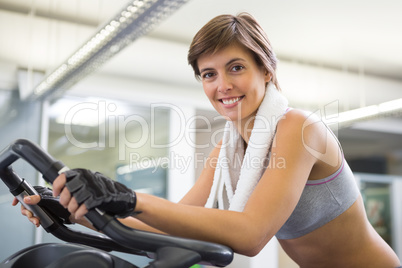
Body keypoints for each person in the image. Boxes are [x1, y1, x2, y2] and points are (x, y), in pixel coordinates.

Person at [14, 12, 401, 268]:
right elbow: (172, 225)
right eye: (208, 74)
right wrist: (78, 210)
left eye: (236, 68)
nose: (222, 85)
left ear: (266, 70)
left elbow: (250, 235)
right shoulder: (228, 149)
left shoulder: (298, 129)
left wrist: (127, 197)